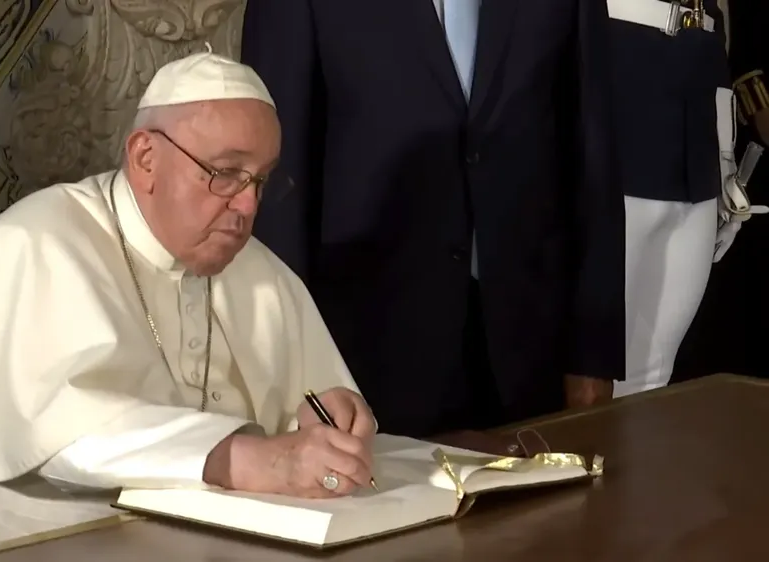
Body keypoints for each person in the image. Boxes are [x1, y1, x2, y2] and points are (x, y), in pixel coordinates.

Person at [0, 50, 377, 547]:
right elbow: (55, 437)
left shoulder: (262, 273)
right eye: (225, 173)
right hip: (18, 542)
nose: (248, 204)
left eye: (261, 180)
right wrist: (242, 458)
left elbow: (304, 419)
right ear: (145, 158)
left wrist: (322, 425)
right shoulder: (34, 243)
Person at [240, 0, 625, 437]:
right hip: (363, 358)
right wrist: (292, 369)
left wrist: (592, 353)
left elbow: (592, 153)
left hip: (532, 350)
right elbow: (278, 179)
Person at [607, 0, 756, 397]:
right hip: (619, 82)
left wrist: (726, 162)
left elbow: (717, 30)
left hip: (695, 121)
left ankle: (633, 461)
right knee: (590, 367)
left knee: (653, 373)